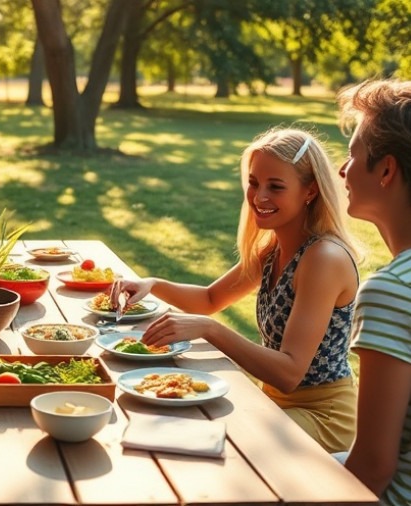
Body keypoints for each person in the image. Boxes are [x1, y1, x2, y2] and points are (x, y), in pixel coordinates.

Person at [111, 127, 360, 452]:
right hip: (274, 404)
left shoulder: (324, 258)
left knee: (207, 441)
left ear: (309, 191)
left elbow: (289, 373)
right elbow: (211, 298)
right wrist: (152, 285)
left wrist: (210, 329)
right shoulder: (273, 250)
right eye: (254, 183)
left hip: (323, 416)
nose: (259, 197)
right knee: (171, 422)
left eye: (276, 187)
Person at [337, 79, 411, 505]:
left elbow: (373, 468)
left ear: (386, 170)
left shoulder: (392, 290)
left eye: (353, 155)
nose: (343, 171)